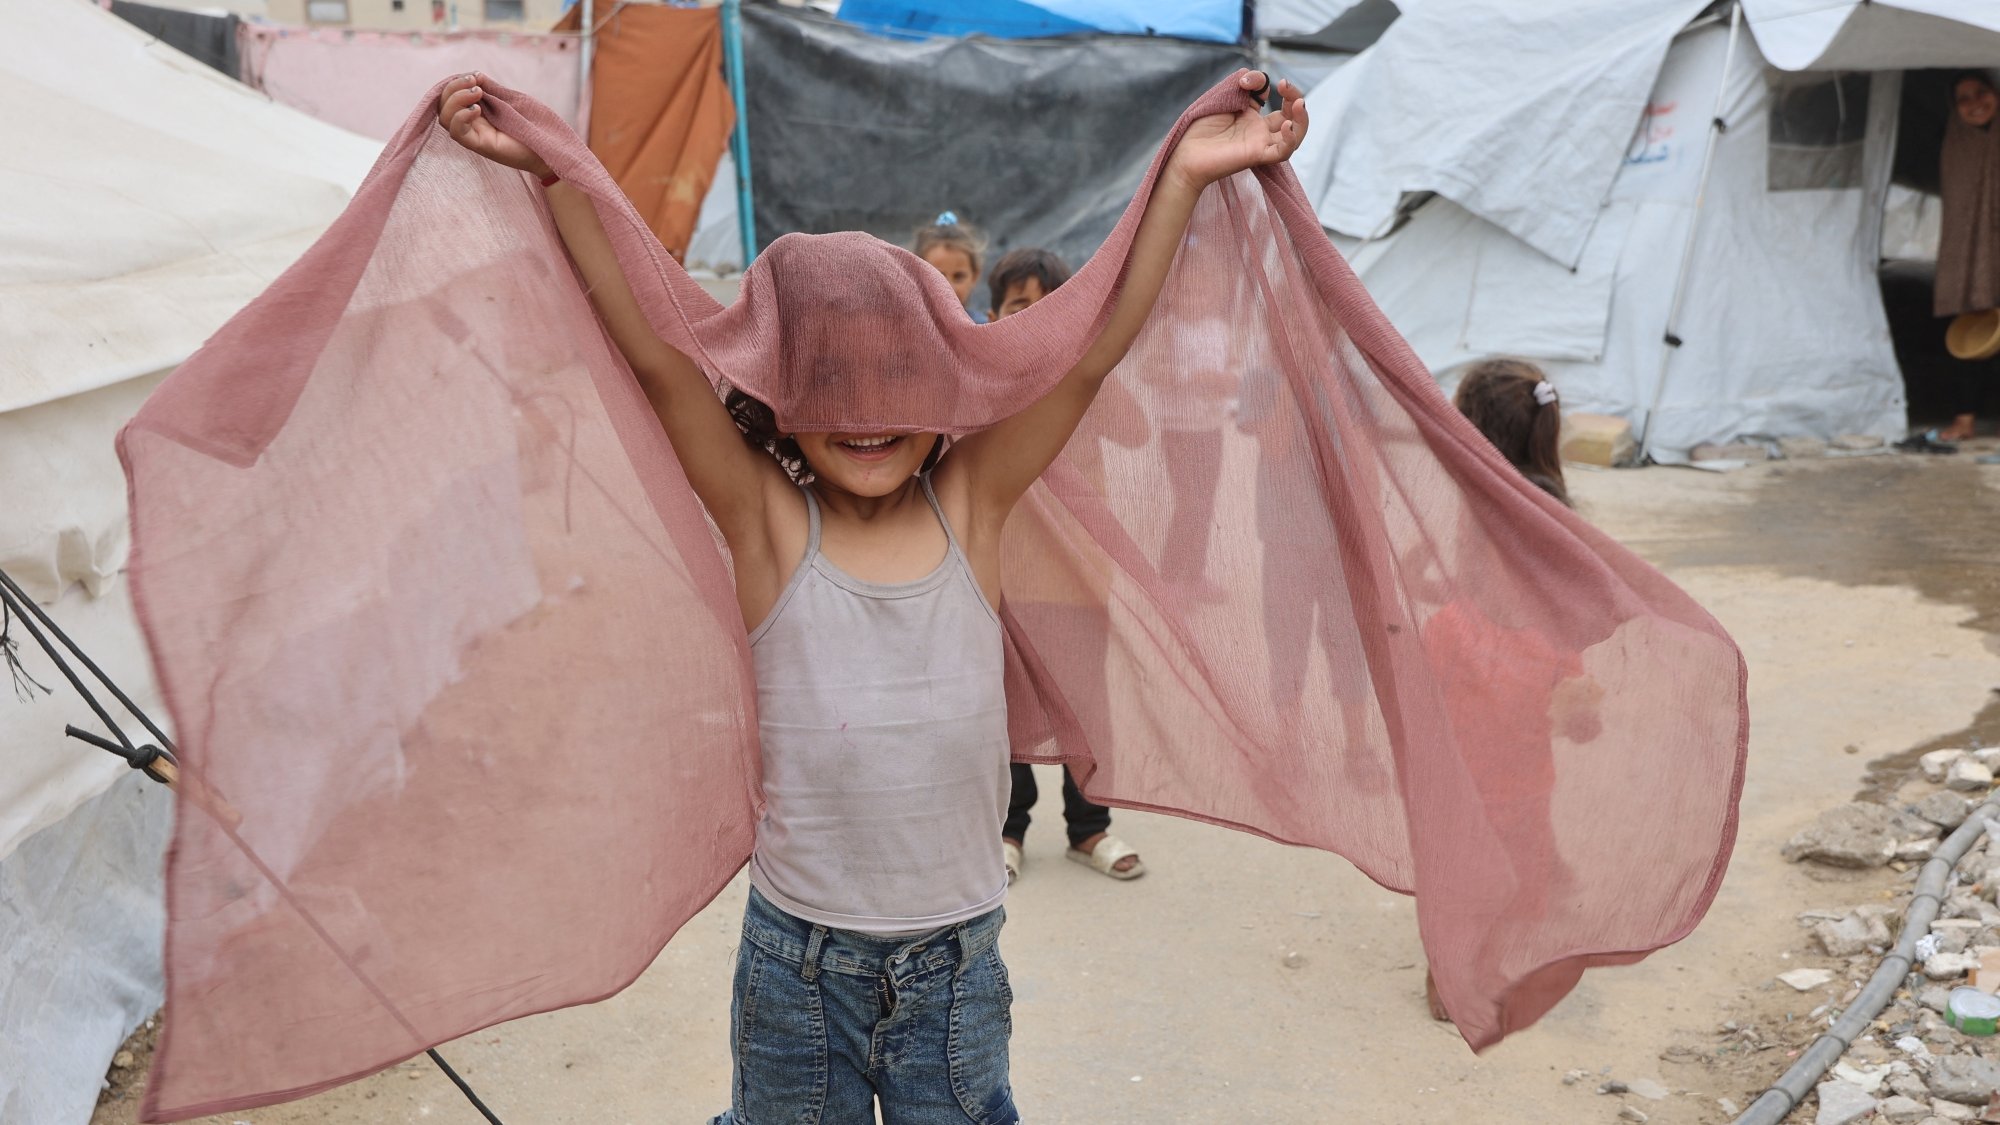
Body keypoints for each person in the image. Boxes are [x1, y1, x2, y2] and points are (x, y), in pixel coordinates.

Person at [437, 70, 1306, 1122]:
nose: (865, 414)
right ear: (777, 399)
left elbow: (1087, 357)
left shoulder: (972, 505)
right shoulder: (768, 525)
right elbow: (660, 363)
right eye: (829, 382)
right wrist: (559, 173)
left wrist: (1182, 175)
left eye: (897, 377)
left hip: (956, 965)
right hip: (797, 968)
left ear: (944, 385)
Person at [1421, 357, 1588, 1022]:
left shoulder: (1481, 491)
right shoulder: (1552, 494)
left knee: (1465, 823)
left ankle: (1449, 972)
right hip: (1536, 667)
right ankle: (1518, 921)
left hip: (1472, 654)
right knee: (1521, 804)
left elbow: (1469, 583)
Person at [986, 249, 1147, 882]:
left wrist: (1087, 367)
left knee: (1087, 709)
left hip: (1080, 581)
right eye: (1018, 305)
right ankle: (1007, 830)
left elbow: (1133, 428)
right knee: (1005, 711)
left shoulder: (1088, 377)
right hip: (1006, 578)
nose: (1034, 317)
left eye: (1051, 304)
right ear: (994, 315)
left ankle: (1090, 827)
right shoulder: (989, 382)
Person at [1934, 72, 2000, 442]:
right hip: (1971, 254)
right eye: (1964, 98)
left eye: (1982, 92)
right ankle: (1965, 420)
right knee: (1969, 334)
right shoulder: (1955, 145)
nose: (1975, 103)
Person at [914, 211, 989, 322]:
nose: (949, 288)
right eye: (938, 277)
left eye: (958, 277)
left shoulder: (983, 330)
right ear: (917, 276)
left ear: (975, 276)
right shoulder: (906, 330)